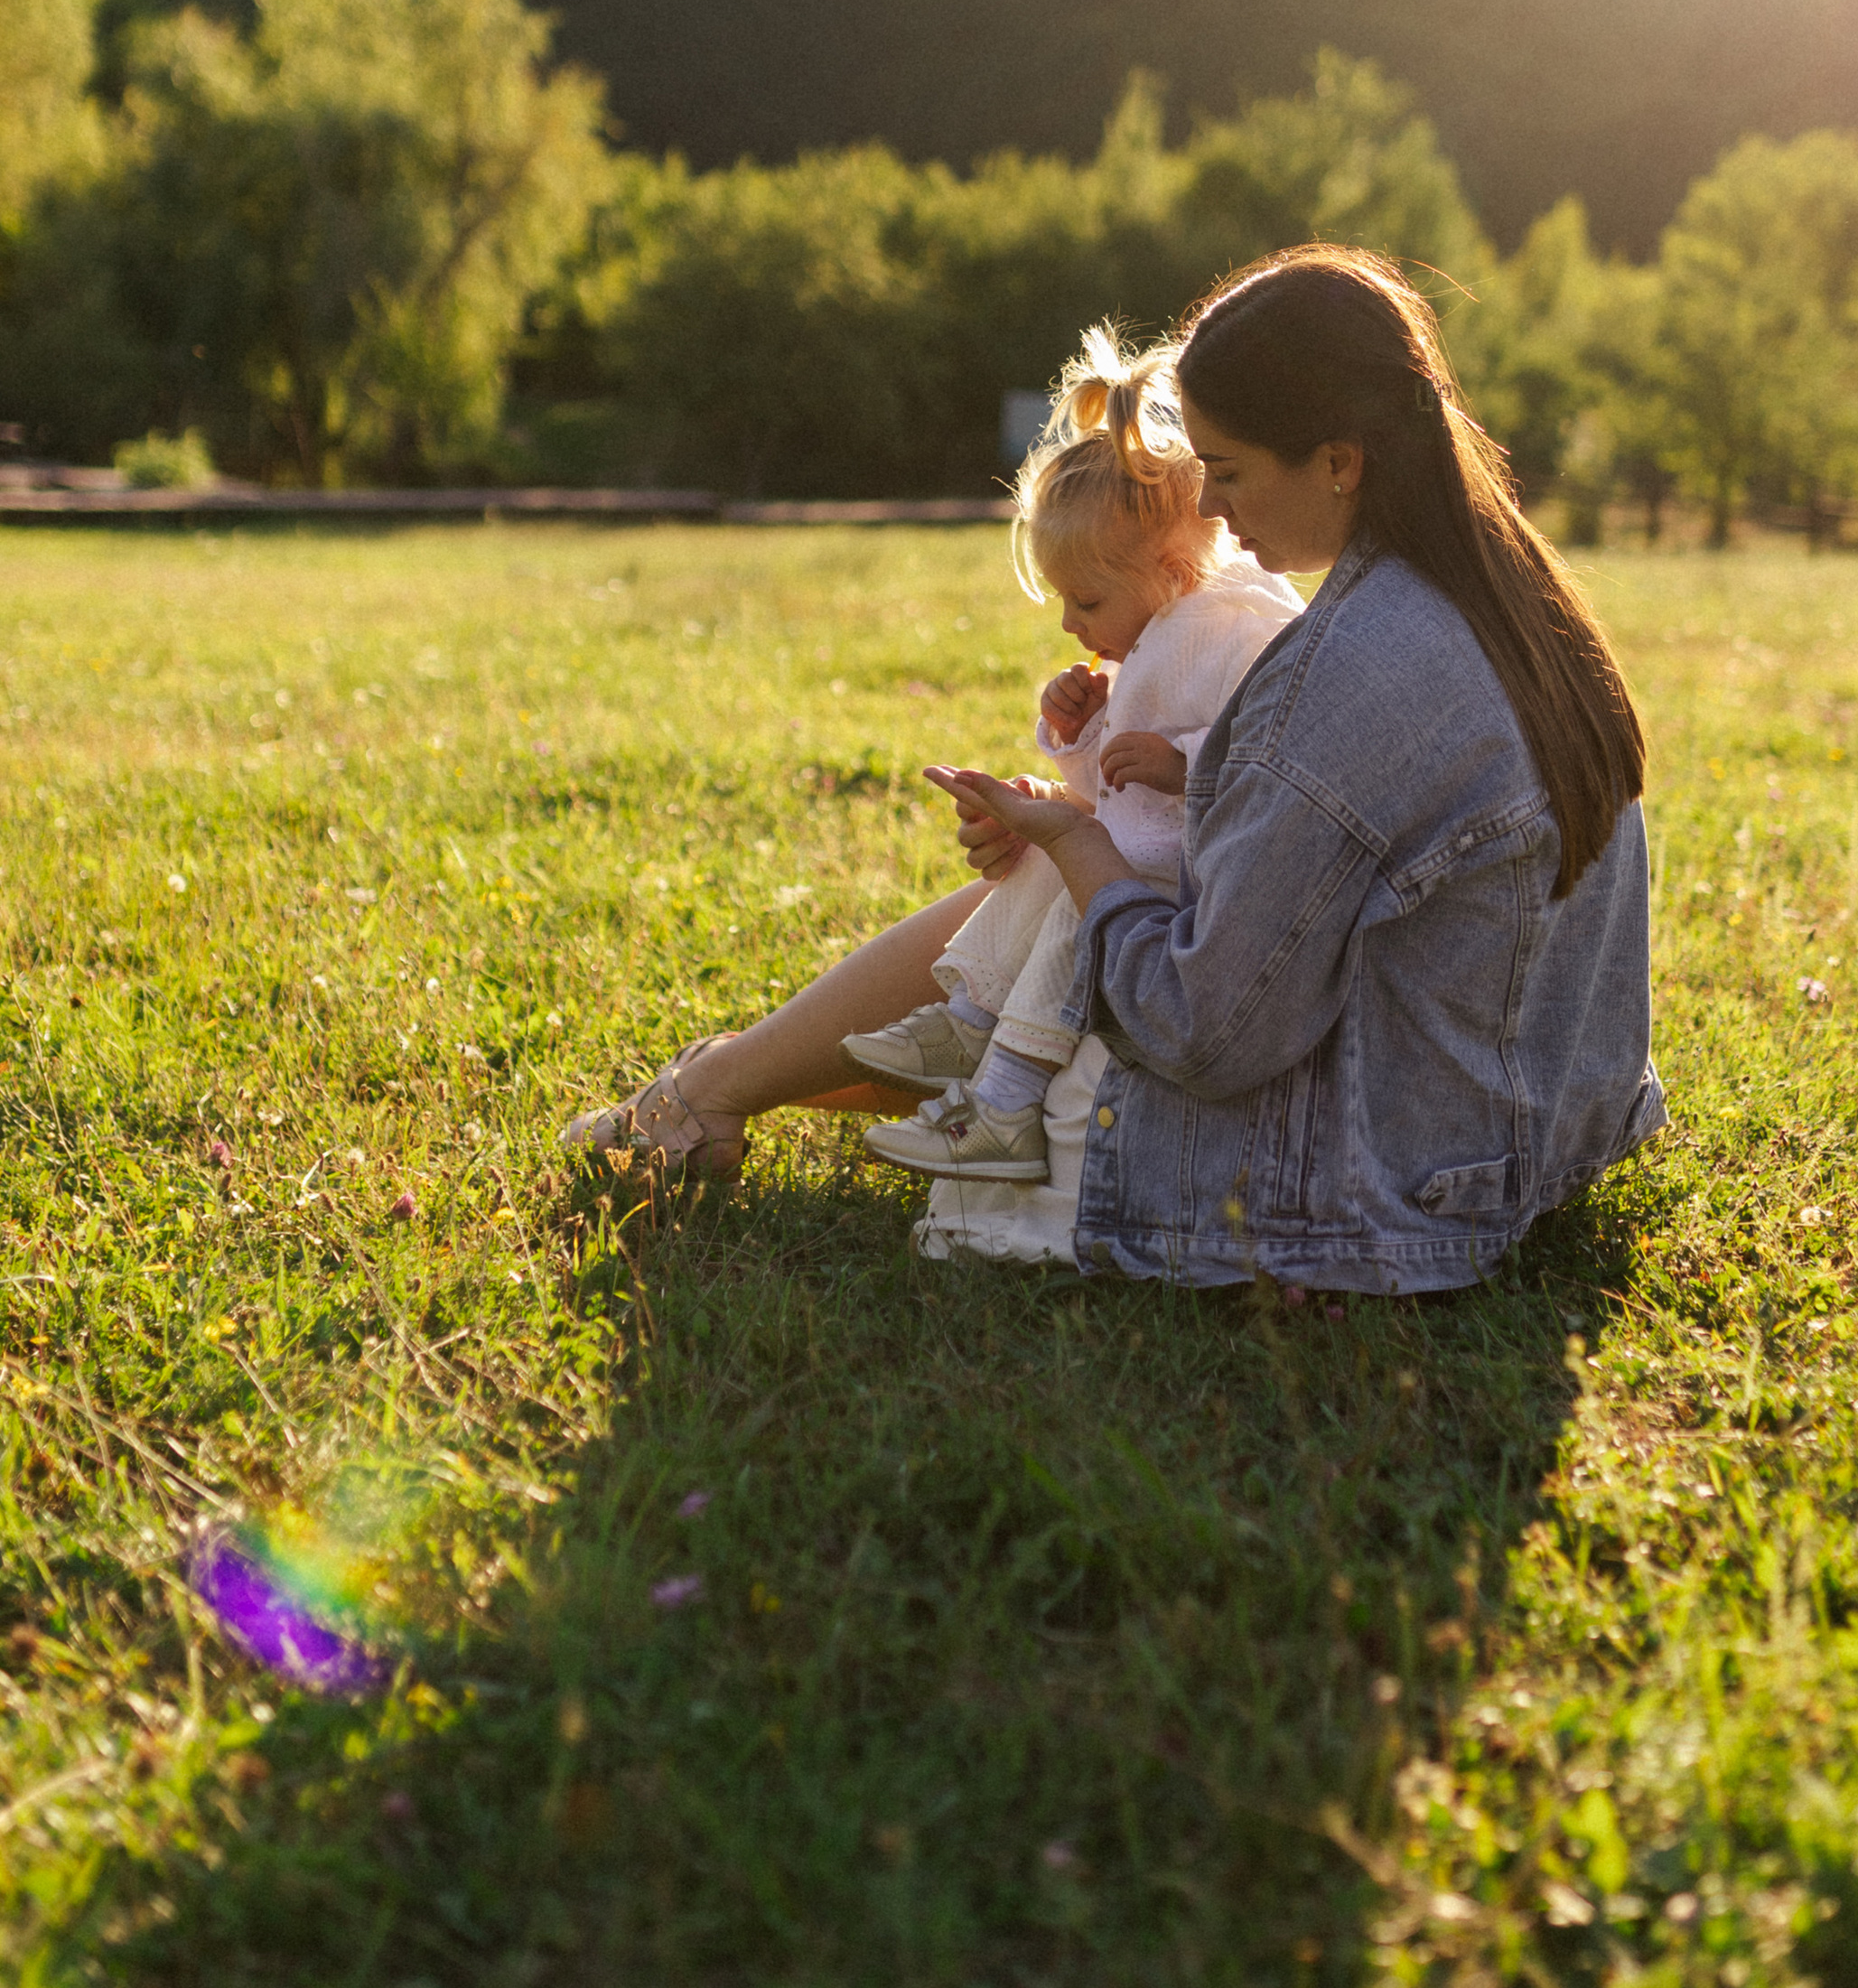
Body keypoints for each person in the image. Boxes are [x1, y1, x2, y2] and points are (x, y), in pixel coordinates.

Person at [566, 245, 1662, 1298]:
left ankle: (708, 1092)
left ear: (1339, 460)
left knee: (1057, 999)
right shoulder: (1512, 599)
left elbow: (1198, 1029)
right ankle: (716, 1090)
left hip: (1387, 1182)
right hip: (1531, 1130)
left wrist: (1080, 847)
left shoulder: (1338, 674)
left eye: (1226, 474)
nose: (1215, 511)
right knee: (1041, 919)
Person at [840, 331, 1304, 1189]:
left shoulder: (1243, 623)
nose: (1069, 624)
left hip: (1202, 887)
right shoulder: (1160, 631)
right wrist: (1083, 736)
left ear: (1169, 570)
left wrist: (1186, 761)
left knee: (1077, 907)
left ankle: (1006, 1104)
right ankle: (969, 1018)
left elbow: (1285, 745)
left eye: (1085, 600)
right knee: (1048, 867)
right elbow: (1112, 793)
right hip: (1145, 855)